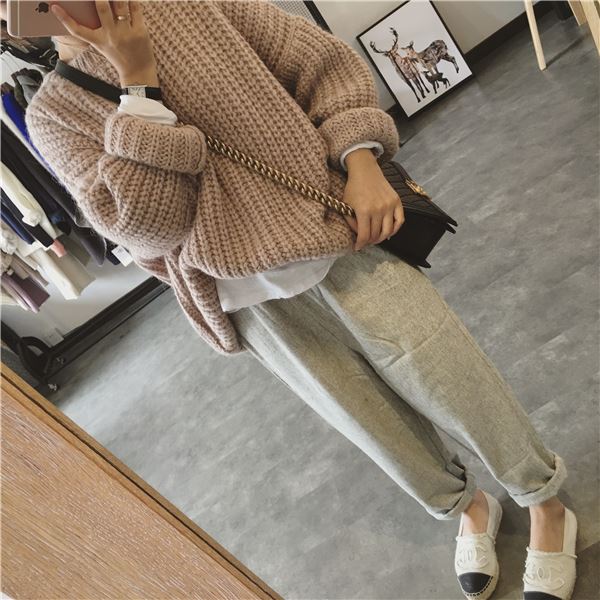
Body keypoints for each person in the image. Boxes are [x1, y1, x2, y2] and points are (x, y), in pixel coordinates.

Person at [2, 1, 578, 597]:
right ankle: (468, 508)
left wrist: (361, 160)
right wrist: (138, 86)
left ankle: (544, 501)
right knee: (378, 429)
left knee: (454, 379)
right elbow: (149, 228)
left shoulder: (195, 6)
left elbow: (322, 65)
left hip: (340, 237)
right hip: (249, 300)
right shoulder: (54, 114)